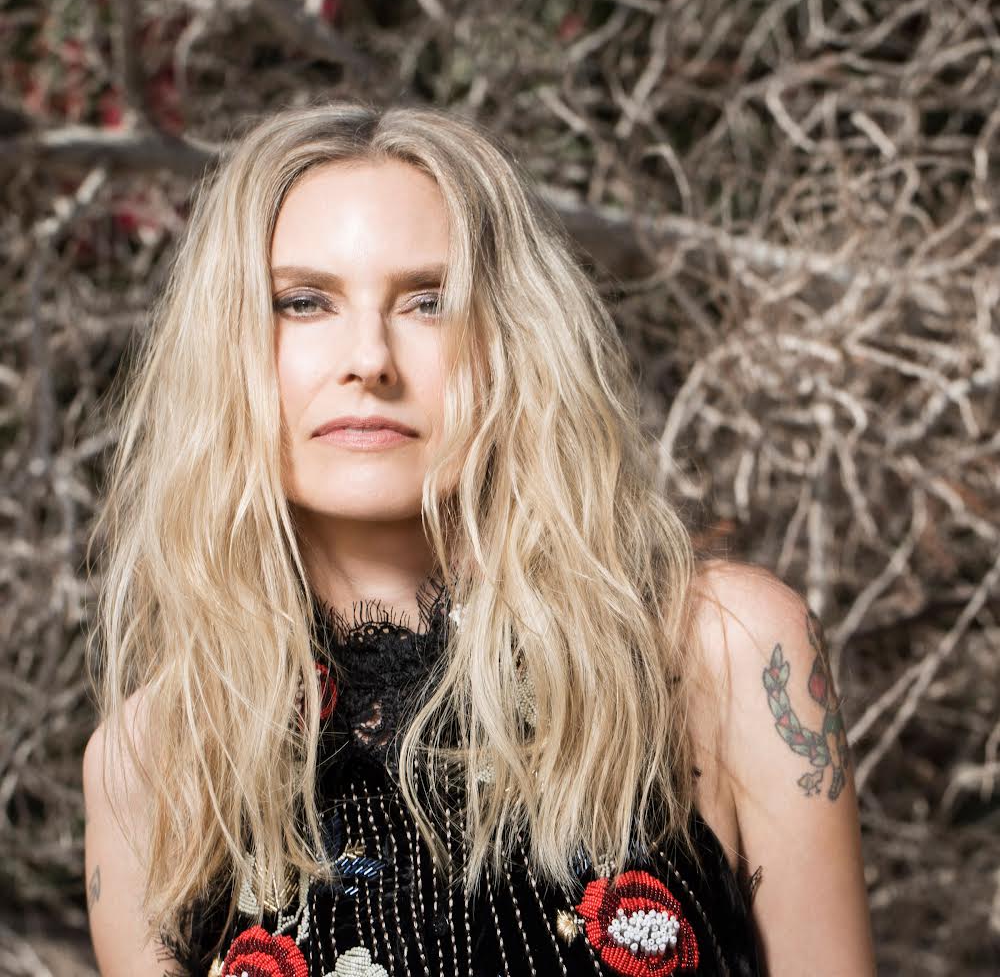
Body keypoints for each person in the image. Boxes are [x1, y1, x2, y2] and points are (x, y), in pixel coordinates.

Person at [82, 101, 877, 977]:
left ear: (511, 342)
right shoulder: (154, 758)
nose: (369, 360)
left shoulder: (720, 650)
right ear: (225, 349)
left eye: (431, 302)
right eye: (302, 303)